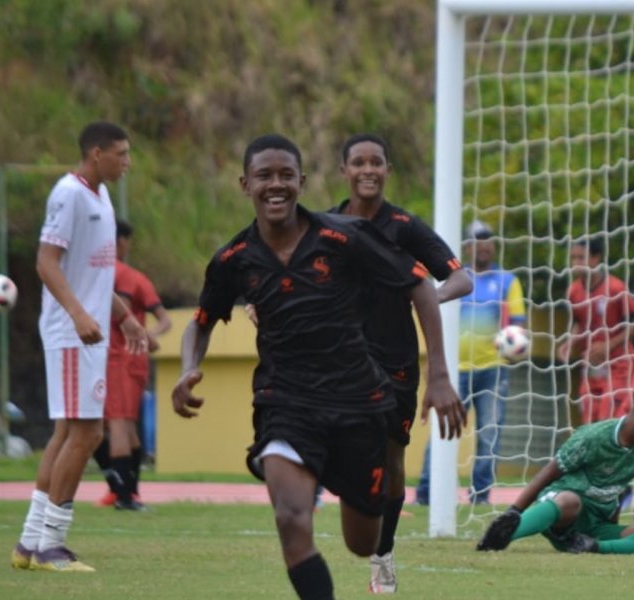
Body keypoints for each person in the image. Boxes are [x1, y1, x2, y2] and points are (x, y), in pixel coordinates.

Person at [171, 134, 465, 600]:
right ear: (245, 184)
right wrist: (189, 367)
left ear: (302, 182)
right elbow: (200, 323)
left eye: (286, 175)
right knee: (291, 517)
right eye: (264, 176)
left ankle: (372, 541)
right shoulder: (233, 260)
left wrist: (441, 376)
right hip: (285, 401)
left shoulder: (343, 237)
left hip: (359, 402)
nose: (275, 185)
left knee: (360, 541)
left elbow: (422, 286)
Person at [328, 133, 472, 594]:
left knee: (392, 461)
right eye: (359, 162)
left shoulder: (406, 227)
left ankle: (382, 554)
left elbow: (461, 277)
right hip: (343, 360)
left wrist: (428, 295)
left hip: (396, 364)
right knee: (346, 448)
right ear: (344, 170)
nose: (368, 170)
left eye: (377, 163)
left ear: (388, 171)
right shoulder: (326, 225)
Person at [10, 122, 148, 572]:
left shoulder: (101, 196)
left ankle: (31, 544)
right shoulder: (68, 194)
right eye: (121, 154)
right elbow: (46, 262)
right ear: (95, 154)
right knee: (88, 433)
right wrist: (79, 315)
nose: (127, 162)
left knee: (69, 433)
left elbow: (95, 274)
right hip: (73, 334)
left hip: (88, 330)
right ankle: (52, 545)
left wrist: (123, 317)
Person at [476, 377, 634, 555]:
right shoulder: (594, 437)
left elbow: (618, 484)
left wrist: (608, 527)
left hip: (593, 528)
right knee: (570, 501)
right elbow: (550, 471)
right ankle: (499, 538)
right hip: (563, 515)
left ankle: (592, 547)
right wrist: (515, 511)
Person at [417, 220, 527, 506]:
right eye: (478, 240)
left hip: (493, 369)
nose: (484, 246)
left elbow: (518, 324)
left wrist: (513, 339)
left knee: (490, 434)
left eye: (489, 240)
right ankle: (425, 495)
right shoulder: (453, 278)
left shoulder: (507, 281)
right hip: (455, 371)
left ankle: (480, 497)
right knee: (443, 431)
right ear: (467, 246)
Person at [93, 219, 172, 511]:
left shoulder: (125, 277)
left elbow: (163, 319)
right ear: (122, 242)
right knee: (107, 425)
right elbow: (165, 320)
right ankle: (125, 490)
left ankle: (124, 494)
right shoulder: (103, 273)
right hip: (104, 357)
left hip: (123, 358)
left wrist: (146, 334)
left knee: (118, 424)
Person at [557, 237, 634, 425]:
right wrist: (570, 341)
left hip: (619, 367)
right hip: (591, 366)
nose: (576, 264)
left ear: (596, 259)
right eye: (573, 258)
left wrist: (608, 346)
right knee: (589, 423)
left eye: (581, 258)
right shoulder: (573, 291)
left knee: (608, 421)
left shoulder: (615, 288)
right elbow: (581, 322)